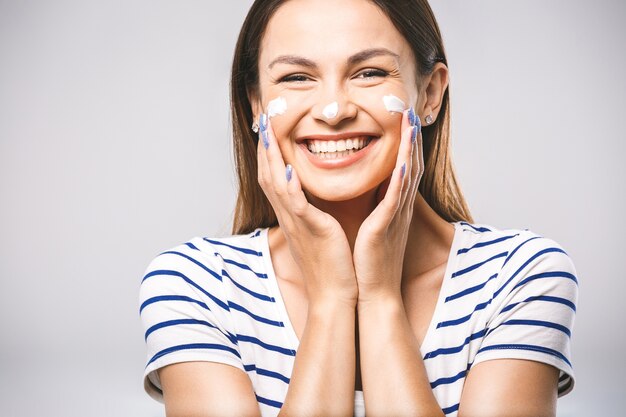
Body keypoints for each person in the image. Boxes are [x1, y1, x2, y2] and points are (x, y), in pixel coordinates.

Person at [138, 0, 578, 415]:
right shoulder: (194, 285)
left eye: (368, 73)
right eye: (296, 77)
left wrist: (381, 296)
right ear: (256, 103)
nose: (333, 110)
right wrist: (332, 299)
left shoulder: (521, 276)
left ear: (429, 94)